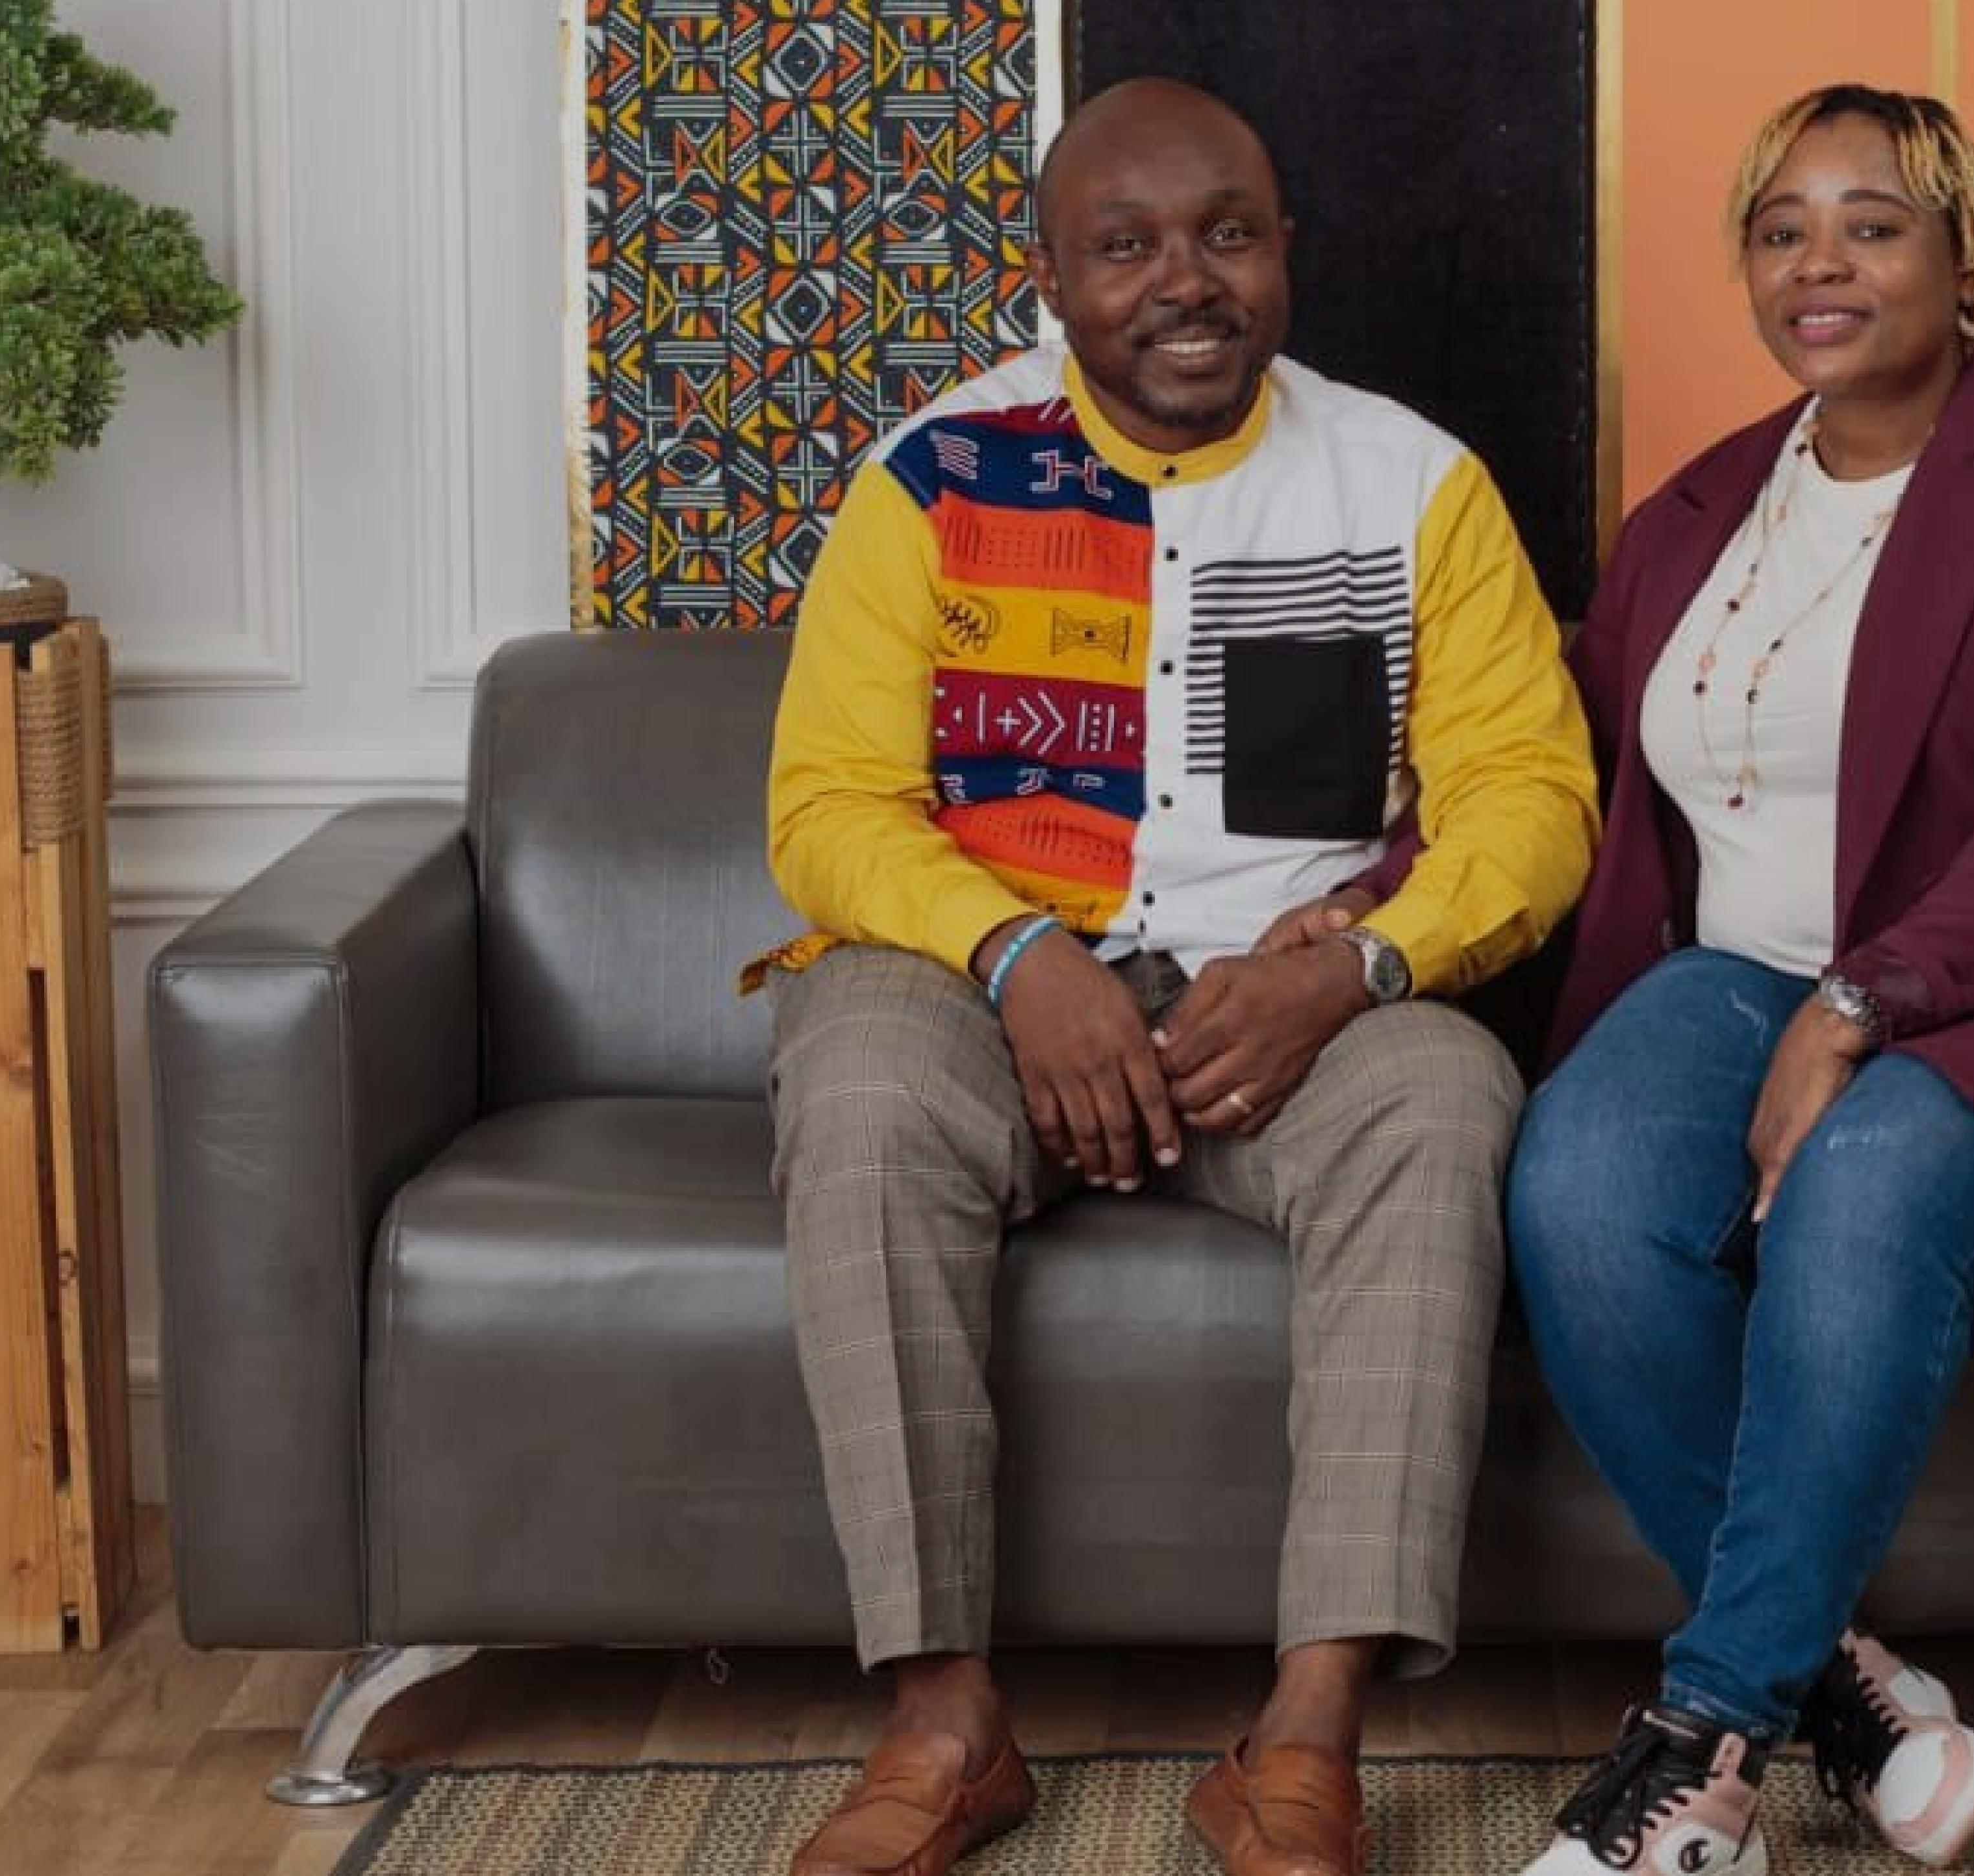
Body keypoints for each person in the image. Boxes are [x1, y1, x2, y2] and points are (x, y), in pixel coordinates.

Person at [755, 76, 1597, 1876]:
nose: (1183, 282)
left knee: (1446, 1093)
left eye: (1226, 235)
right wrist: (1017, 954)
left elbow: (1532, 802)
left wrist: (1363, 963)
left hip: (1279, 1006)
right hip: (987, 993)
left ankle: (1305, 1735)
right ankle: (945, 1721)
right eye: (1125, 246)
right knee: (860, 1077)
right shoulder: (933, 474)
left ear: (1287, 251)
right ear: (1053, 280)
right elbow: (826, 804)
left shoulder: (1414, 484)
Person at [1505, 83, 1974, 1875]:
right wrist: (1350, 899)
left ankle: (1701, 1753)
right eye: (1782, 230)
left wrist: (1859, 1006)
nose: (1820, 264)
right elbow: (1561, 770)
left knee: (1860, 1186)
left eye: (1873, 224)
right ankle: (1851, 1702)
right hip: (1735, 986)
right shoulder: (1701, 509)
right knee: (1576, 1191)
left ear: (1967, 258)